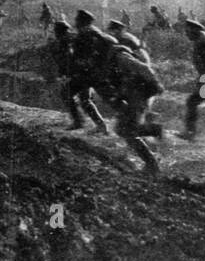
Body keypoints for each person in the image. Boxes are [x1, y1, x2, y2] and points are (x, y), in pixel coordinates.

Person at [108, 43, 165, 174]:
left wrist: (156, 84)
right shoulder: (116, 55)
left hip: (137, 98)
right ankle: (149, 156)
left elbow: (143, 68)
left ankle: (152, 163)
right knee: (122, 129)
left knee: (128, 131)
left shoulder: (121, 56)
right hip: (133, 97)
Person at [49, 20, 109, 133]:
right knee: (84, 99)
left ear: (59, 32)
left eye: (56, 31)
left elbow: (68, 60)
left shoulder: (66, 41)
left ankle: (79, 122)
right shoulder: (73, 38)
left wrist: (66, 75)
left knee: (67, 94)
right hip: (86, 74)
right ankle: (100, 125)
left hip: (81, 74)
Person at [72, 10, 122, 129]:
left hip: (95, 74)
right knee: (85, 99)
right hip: (90, 73)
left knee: (112, 101)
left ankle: (137, 122)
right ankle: (100, 126)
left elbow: (91, 55)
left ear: (83, 23)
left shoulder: (91, 35)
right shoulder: (92, 33)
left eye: (78, 21)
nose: (76, 23)